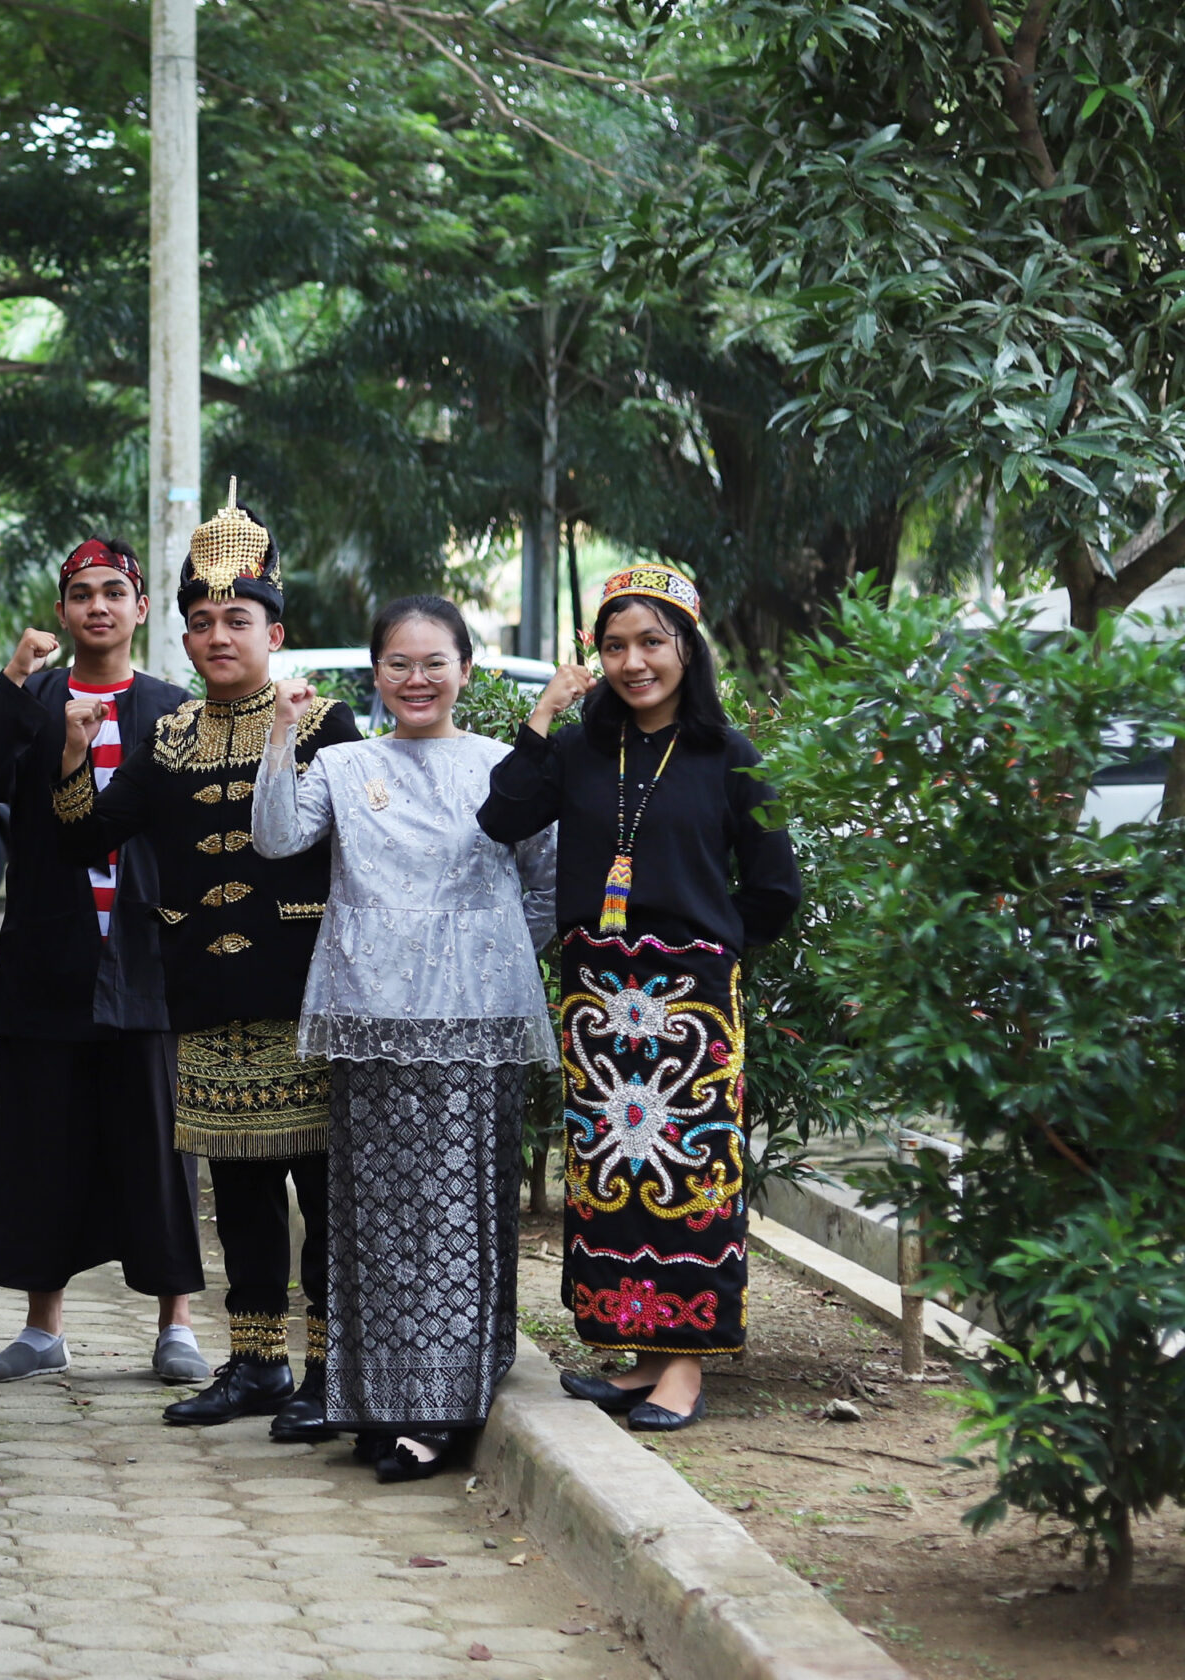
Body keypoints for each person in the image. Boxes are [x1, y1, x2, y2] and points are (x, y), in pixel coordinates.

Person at [54, 488, 360, 1433]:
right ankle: (256, 1363)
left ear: (276, 631)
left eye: (237, 619)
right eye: (200, 622)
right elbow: (88, 835)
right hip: (207, 993)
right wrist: (73, 757)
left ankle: (331, 1372)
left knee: (322, 1189)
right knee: (239, 1190)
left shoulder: (324, 722)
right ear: (182, 637)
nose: (217, 636)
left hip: (307, 996)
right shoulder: (171, 734)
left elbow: (365, 858)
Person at [478, 563, 801, 1436]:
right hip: (595, 997)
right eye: (615, 646)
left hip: (691, 1008)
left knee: (688, 1175)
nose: (633, 662)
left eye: (652, 642)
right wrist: (543, 715)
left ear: (687, 650)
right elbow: (502, 818)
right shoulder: (580, 750)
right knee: (612, 1178)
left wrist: (709, 947)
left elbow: (776, 888)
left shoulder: (731, 757)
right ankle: (642, 1356)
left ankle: (684, 1368)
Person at [253, 595, 556, 1479]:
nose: (416, 679)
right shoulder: (344, 763)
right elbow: (275, 838)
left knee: (458, 1217)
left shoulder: (504, 768)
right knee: (373, 1221)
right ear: (376, 673)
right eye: (398, 663)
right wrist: (280, 732)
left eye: (434, 663)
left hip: (473, 1029)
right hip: (371, 1025)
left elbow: (544, 885)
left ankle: (445, 1407)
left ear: (467, 670)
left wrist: (482, 962)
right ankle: (377, 1400)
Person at [0, 537, 207, 1386]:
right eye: (82, 594)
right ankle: (42, 1328)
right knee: (43, 1143)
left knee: (161, 1147)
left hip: (147, 956)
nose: (98, 606)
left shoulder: (174, 710)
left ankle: (176, 1324)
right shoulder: (34, 698)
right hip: (50, 952)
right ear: (61, 612)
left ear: (140, 609)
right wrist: (12, 678)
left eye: (114, 593)